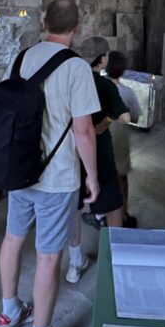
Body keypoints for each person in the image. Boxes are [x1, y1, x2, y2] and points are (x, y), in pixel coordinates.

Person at [0, 0, 100, 327]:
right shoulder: (76, 68)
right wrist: (93, 176)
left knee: (12, 238)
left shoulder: (21, 59)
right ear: (78, 24)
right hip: (56, 178)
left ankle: (9, 314)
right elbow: (84, 131)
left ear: (43, 21)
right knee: (48, 257)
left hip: (20, 170)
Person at [66, 39, 129, 283]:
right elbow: (123, 116)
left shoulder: (71, 81)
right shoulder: (104, 84)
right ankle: (117, 257)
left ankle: (74, 262)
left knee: (75, 206)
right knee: (113, 205)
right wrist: (106, 122)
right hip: (98, 151)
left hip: (71, 151)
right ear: (102, 59)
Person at [106, 51, 141, 228]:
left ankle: (101, 213)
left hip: (103, 138)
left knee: (103, 176)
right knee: (121, 177)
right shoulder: (127, 92)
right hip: (120, 139)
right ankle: (123, 211)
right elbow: (135, 117)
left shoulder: (99, 88)